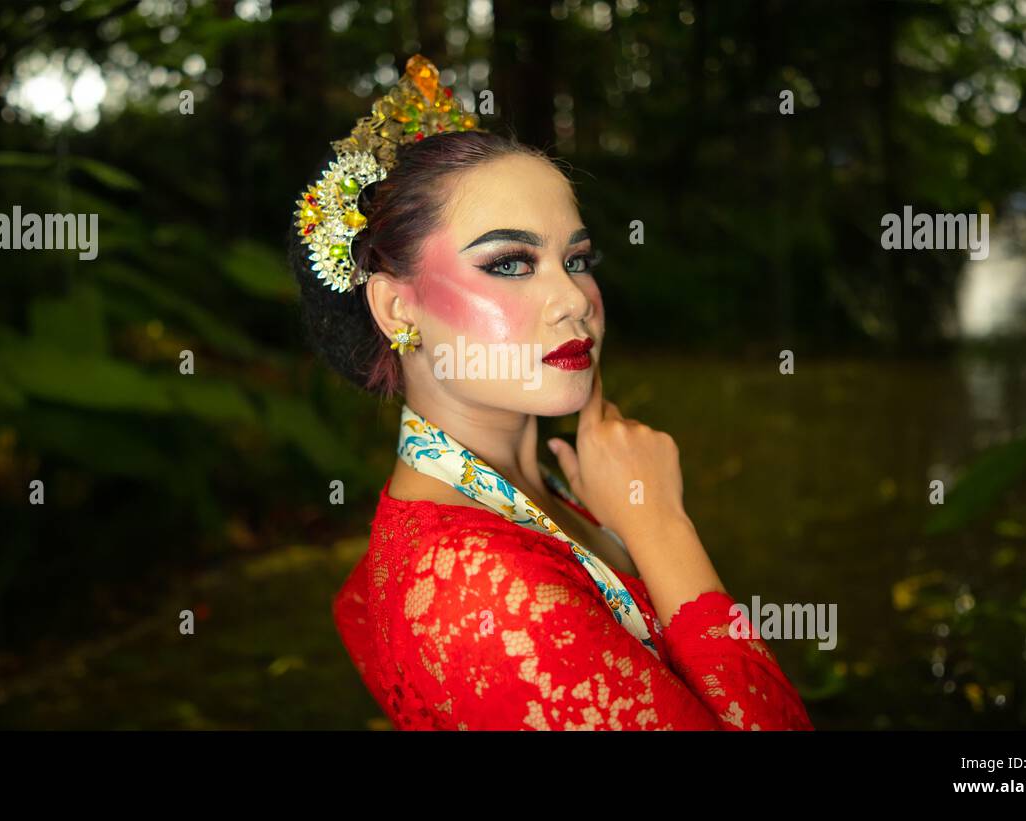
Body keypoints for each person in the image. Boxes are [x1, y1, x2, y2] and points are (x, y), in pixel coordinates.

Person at [290, 55, 814, 730]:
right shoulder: (476, 586)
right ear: (398, 308)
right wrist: (660, 527)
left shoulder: (539, 487)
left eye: (578, 259)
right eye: (510, 262)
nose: (574, 300)